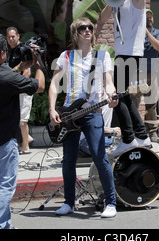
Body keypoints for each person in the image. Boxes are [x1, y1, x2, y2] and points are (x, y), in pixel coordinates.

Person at [0, 33, 45, 229]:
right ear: (3, 54)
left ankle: (4, 224)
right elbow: (40, 86)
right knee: (6, 185)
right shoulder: (6, 77)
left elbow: (5, 77)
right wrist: (38, 63)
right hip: (3, 139)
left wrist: (20, 67)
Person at [48, 18, 118, 218]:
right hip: (70, 114)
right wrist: (53, 109)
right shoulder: (66, 56)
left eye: (90, 28)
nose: (87, 31)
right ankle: (69, 202)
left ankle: (110, 203)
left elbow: (109, 83)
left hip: (92, 112)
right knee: (68, 160)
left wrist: (112, 96)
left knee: (99, 156)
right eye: (82, 28)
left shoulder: (102, 56)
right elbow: (54, 83)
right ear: (75, 32)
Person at [96, 0, 156, 157]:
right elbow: (102, 19)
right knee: (124, 97)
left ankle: (129, 139)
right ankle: (141, 136)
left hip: (131, 53)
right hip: (122, 53)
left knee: (118, 97)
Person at [130, 9, 159, 142]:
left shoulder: (158, 33)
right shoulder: (134, 32)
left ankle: (152, 132)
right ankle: (134, 130)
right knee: (134, 102)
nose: (148, 19)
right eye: (145, 17)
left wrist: (147, 32)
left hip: (152, 72)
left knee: (151, 103)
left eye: (150, 17)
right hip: (136, 73)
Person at [6, 26, 34, 154]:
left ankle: (26, 146)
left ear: (18, 36)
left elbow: (27, 71)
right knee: (17, 118)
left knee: (23, 119)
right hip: (14, 90)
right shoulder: (10, 51)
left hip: (23, 89)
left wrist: (20, 87)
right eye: (9, 37)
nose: (11, 39)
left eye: (13, 36)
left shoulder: (23, 50)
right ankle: (26, 138)